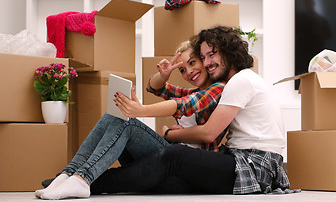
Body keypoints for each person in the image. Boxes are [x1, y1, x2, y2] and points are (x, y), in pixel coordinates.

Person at [87, 26, 292, 195]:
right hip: (242, 159)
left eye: (212, 55)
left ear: (229, 52)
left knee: (174, 155)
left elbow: (209, 133)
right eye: (204, 57)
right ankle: (83, 177)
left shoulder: (240, 81)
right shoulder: (233, 83)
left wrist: (167, 134)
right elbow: (161, 90)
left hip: (253, 165)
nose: (208, 63)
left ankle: (92, 183)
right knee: (164, 170)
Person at [36, 42, 226, 200]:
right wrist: (164, 75)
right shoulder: (193, 91)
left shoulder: (218, 89)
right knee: (115, 114)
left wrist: (163, 128)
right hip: (167, 160)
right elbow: (154, 87)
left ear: (205, 61)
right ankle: (69, 174)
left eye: (193, 63)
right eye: (183, 69)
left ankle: (82, 179)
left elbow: (185, 104)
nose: (189, 72)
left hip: (187, 172)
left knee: (128, 122)